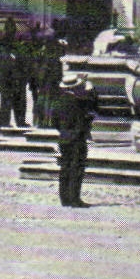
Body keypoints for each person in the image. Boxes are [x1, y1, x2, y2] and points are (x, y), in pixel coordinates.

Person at [51, 69, 99, 207]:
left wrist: (64, 130)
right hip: (77, 138)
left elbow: (54, 121)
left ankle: (64, 198)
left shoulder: (58, 101)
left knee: (65, 167)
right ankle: (75, 199)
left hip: (64, 137)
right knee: (77, 169)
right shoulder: (78, 102)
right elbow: (93, 107)